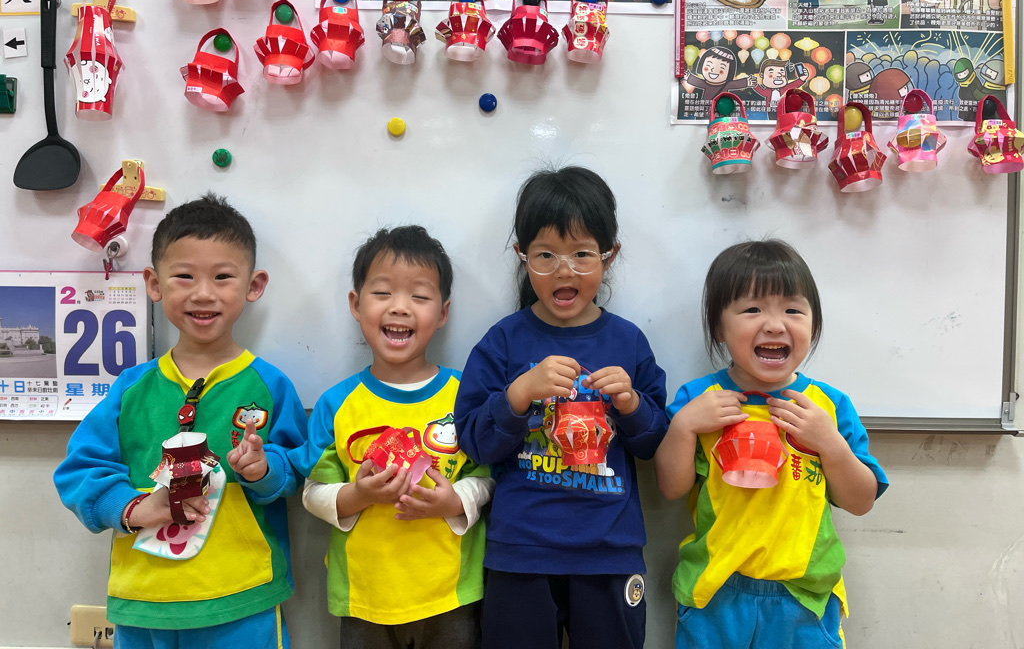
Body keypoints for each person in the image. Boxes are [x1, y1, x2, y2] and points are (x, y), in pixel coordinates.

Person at [54, 193, 307, 649]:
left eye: (223, 277)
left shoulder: (271, 385)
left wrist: (264, 469)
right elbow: (80, 471)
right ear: (154, 284)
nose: (203, 293)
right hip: (144, 598)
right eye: (184, 276)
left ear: (254, 285)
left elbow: (297, 470)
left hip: (240, 596)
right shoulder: (132, 387)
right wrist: (134, 509)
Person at [454, 165, 669, 649]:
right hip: (520, 552)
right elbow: (473, 440)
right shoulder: (503, 340)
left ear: (610, 256)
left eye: (582, 254)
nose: (564, 270)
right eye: (546, 254)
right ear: (522, 256)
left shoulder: (628, 341)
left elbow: (656, 441)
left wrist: (632, 403)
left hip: (610, 552)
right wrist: (519, 394)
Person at [654, 239, 888, 649]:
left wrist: (830, 444)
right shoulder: (699, 400)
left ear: (813, 325)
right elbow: (671, 488)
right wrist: (684, 426)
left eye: (793, 310)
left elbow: (861, 501)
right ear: (719, 328)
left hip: (805, 598)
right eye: (752, 309)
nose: (775, 325)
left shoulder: (828, 406)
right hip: (715, 591)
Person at [291, 225, 492, 649]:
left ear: (443, 313)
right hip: (365, 597)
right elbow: (313, 492)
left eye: (419, 296)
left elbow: (489, 476)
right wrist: (358, 495)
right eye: (382, 293)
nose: (400, 308)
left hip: (450, 593)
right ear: (356, 304)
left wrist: (455, 502)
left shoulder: (466, 395)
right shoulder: (336, 403)